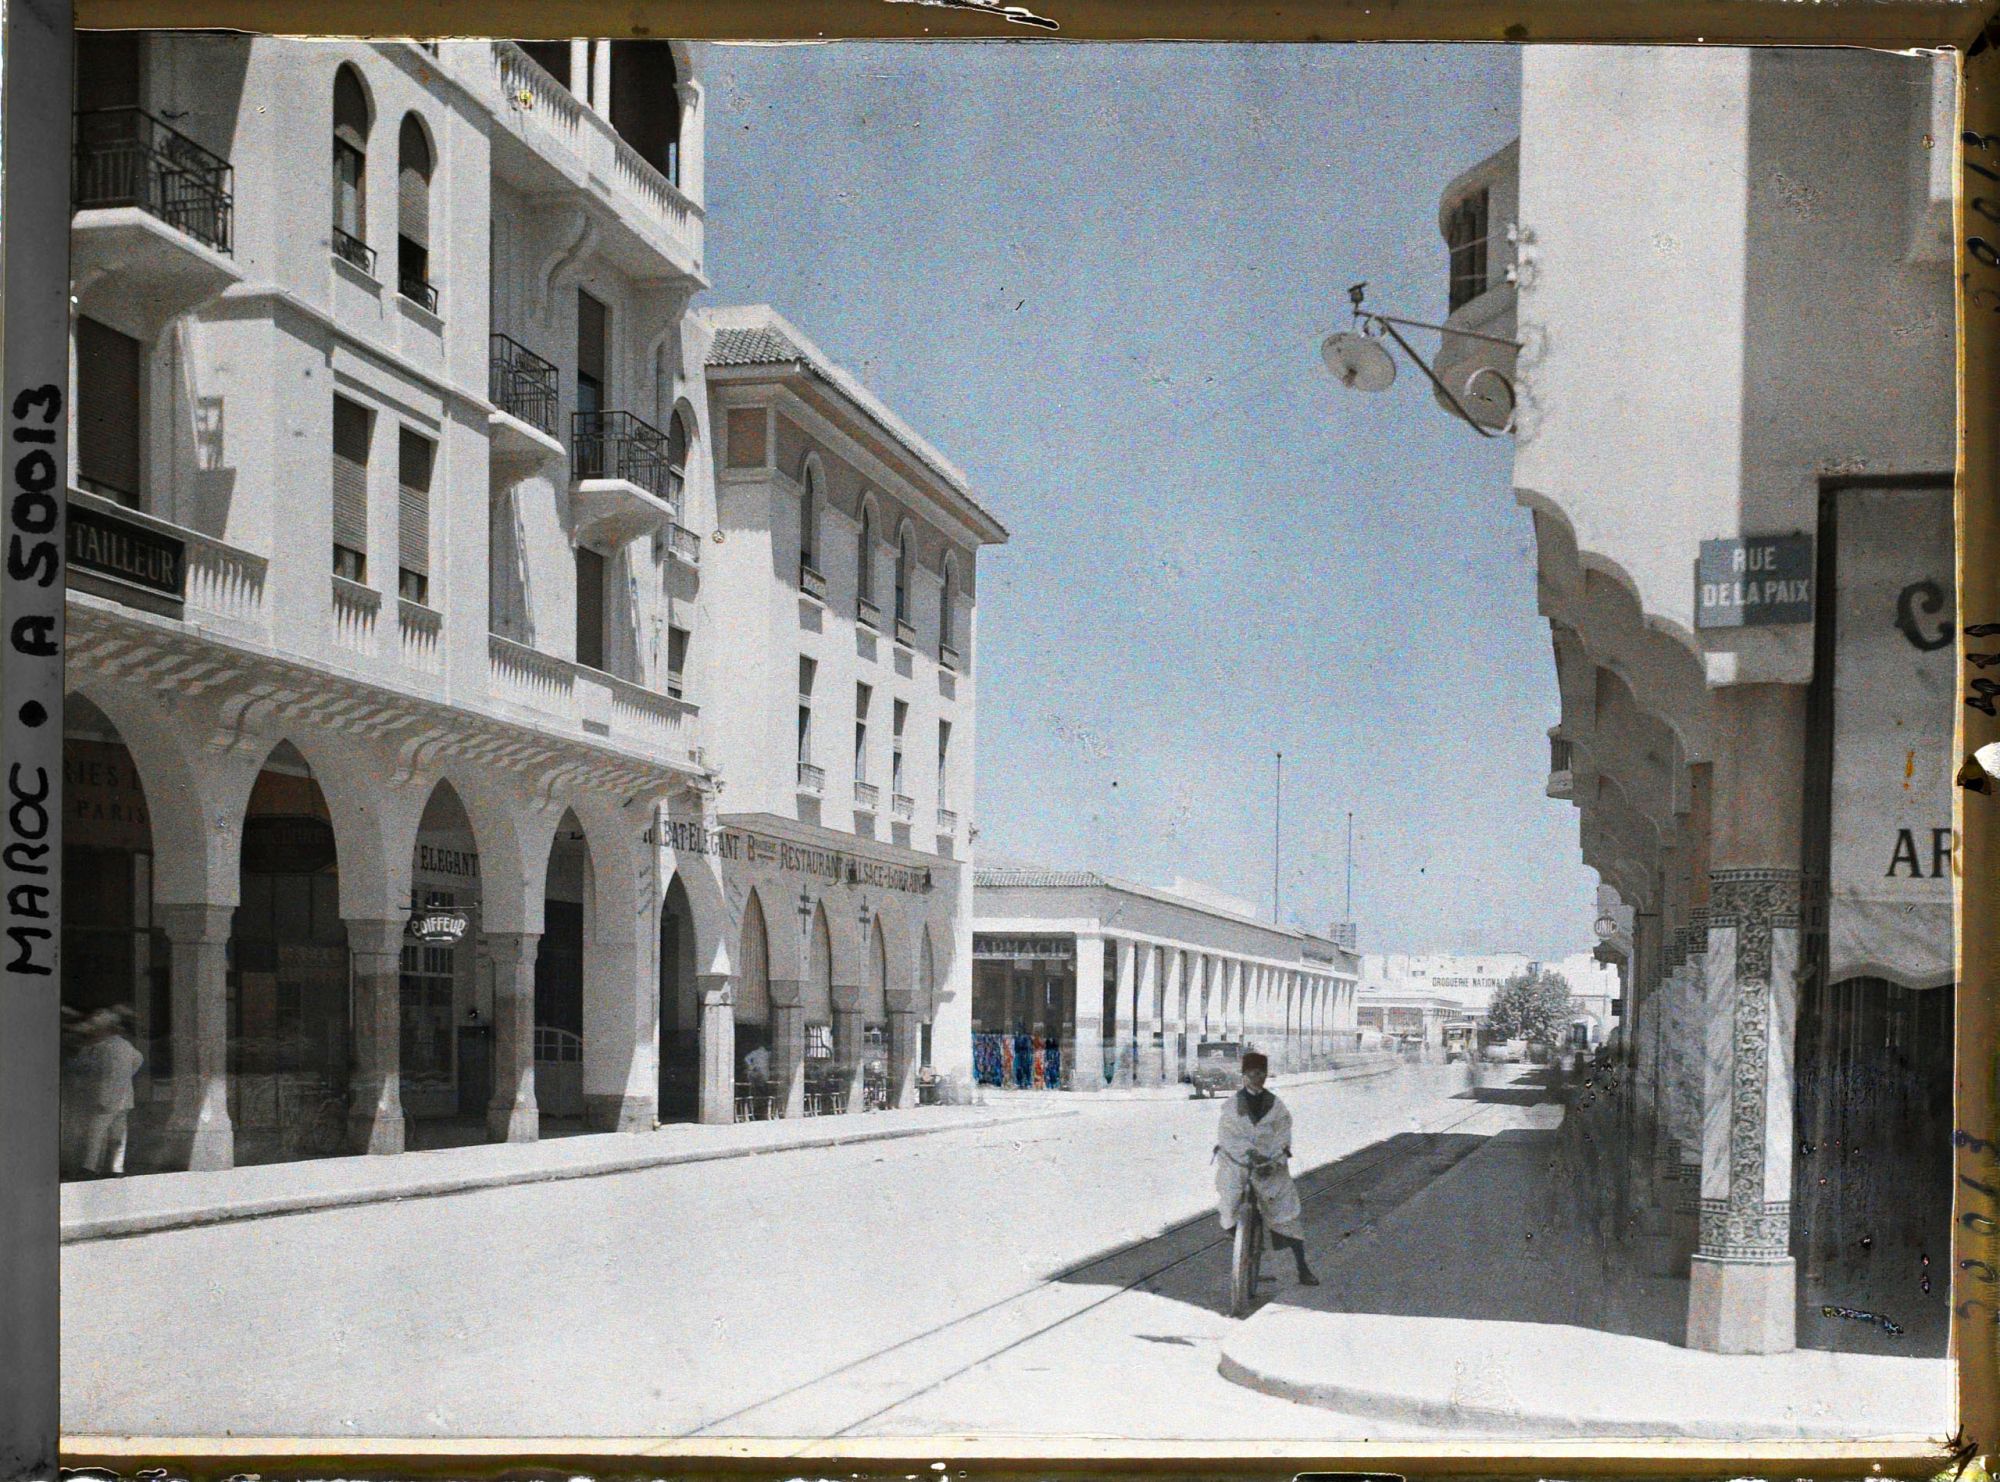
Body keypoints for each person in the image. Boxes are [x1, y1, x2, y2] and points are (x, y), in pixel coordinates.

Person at [1213, 1050, 1318, 1286]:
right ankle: (1238, 1235)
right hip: (1239, 1164)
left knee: (1287, 1211)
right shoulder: (1232, 1106)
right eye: (1251, 1073)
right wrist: (1248, 1154)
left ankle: (1303, 1268)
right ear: (1244, 1075)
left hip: (1270, 1166)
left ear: (1266, 1075)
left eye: (1260, 1072)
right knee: (1229, 1195)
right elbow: (1228, 1137)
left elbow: (1283, 1135)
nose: (1255, 1077)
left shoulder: (1276, 1106)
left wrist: (1272, 1159)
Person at [71, 1008, 146, 1177]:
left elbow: (87, 1068)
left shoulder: (101, 1048)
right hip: (124, 1098)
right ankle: (115, 1168)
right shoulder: (126, 1046)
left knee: (96, 1133)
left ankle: (90, 1167)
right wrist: (127, 1076)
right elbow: (139, 1060)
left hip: (105, 1098)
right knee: (118, 1135)